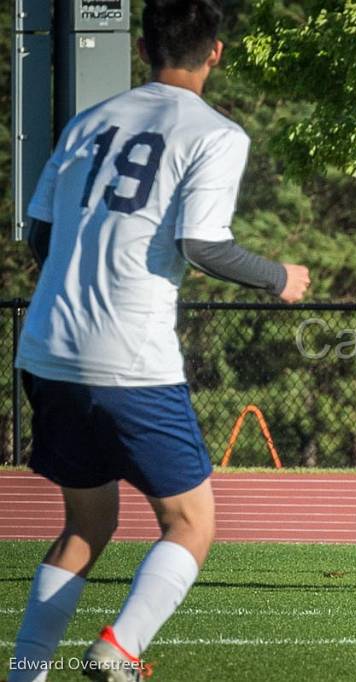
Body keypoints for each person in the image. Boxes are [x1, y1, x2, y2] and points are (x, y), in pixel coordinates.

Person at [7, 1, 311, 680]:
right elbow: (201, 243)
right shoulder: (215, 133)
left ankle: (24, 673)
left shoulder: (86, 123)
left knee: (86, 527)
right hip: (130, 359)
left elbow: (40, 237)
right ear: (217, 53)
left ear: (143, 48)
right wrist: (279, 277)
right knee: (191, 523)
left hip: (48, 348)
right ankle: (120, 650)